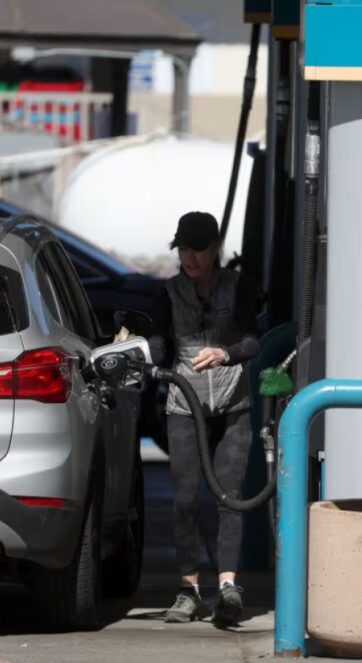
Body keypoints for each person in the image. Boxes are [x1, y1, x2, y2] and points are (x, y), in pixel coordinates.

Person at [148, 211, 261, 627]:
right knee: (183, 499)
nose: (189, 257)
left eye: (197, 248)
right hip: (184, 405)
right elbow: (161, 347)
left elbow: (252, 339)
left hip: (233, 403)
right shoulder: (168, 293)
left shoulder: (239, 287)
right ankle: (188, 589)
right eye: (182, 248)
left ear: (215, 249)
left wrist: (225, 353)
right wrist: (136, 352)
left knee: (229, 496)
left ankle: (228, 587)